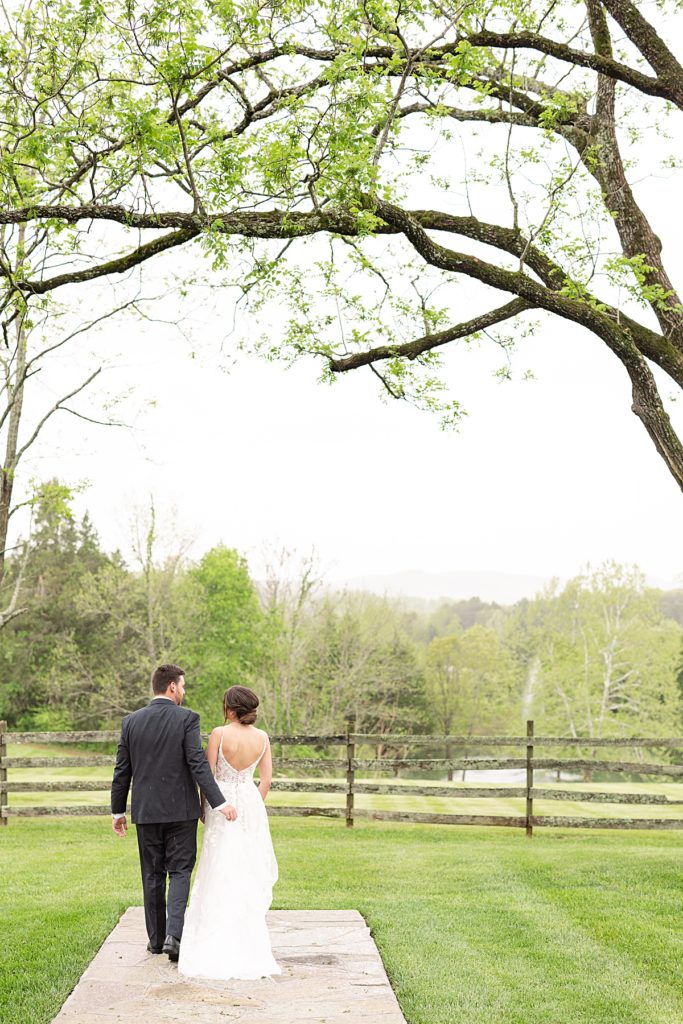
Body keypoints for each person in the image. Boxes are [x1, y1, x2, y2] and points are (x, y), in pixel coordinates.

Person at [110, 664, 236, 961]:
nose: (184, 691)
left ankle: (155, 941)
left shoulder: (131, 722)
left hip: (146, 811)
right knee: (180, 872)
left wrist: (118, 811)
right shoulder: (187, 718)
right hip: (181, 811)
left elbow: (121, 771)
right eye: (183, 686)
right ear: (172, 687)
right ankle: (173, 938)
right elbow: (197, 763)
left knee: (152, 875)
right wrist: (220, 803)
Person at [178, 685, 280, 981]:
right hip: (249, 802)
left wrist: (203, 807)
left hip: (220, 803)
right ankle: (247, 940)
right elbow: (267, 780)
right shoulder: (262, 738)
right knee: (246, 867)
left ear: (230, 708)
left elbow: (206, 776)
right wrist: (253, 805)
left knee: (218, 866)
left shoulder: (219, 734)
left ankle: (214, 939)